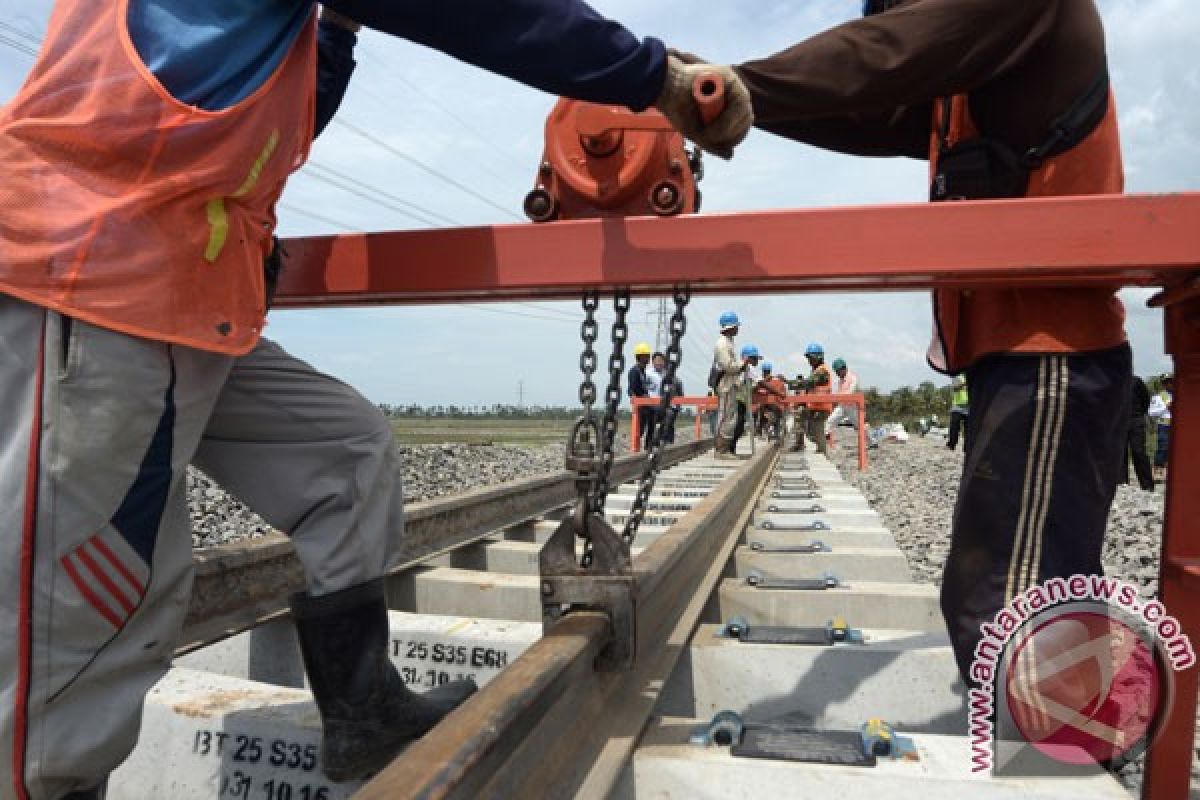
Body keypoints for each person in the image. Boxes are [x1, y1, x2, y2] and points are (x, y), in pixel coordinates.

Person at [0, 2, 756, 797]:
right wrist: (653, 78)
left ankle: (362, 713)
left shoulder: (257, 33)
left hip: (187, 300)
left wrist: (336, 37)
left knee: (348, 456)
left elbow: (260, 127)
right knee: (80, 624)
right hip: (94, 291)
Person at [721, 0, 1133, 683]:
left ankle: (1048, 770)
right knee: (991, 591)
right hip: (1020, 358)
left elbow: (887, 53)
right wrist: (729, 101)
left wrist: (736, 83)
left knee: (1011, 604)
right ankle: (1043, 749)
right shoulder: (976, 83)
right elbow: (866, 103)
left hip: (1053, 351)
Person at [712, 312, 747, 459]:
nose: (737, 329)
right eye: (736, 326)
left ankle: (725, 449)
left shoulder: (729, 342)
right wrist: (742, 364)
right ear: (730, 327)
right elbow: (728, 366)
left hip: (730, 384)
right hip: (725, 385)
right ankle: (721, 450)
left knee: (730, 417)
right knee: (725, 417)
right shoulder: (722, 344)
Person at [1120, 375, 1154, 491]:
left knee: (1138, 451)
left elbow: (1146, 399)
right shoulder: (1114, 381)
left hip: (1136, 420)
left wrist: (1139, 413)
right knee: (1120, 452)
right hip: (1119, 420)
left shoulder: (1136, 381)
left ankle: (1147, 485)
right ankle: (1121, 482)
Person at [802, 343, 834, 456]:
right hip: (816, 406)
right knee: (814, 431)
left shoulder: (822, 370)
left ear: (818, 357)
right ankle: (820, 451)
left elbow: (809, 383)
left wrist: (790, 383)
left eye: (811, 358)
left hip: (822, 406)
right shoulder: (816, 370)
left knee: (818, 430)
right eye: (808, 358)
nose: (809, 361)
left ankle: (822, 453)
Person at [732, 344, 761, 454]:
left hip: (740, 400)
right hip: (738, 400)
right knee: (738, 426)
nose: (757, 361)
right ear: (749, 358)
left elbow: (752, 385)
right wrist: (778, 393)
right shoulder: (748, 367)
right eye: (755, 358)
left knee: (738, 425)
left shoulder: (741, 367)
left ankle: (731, 448)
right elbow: (760, 382)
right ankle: (730, 448)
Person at [628, 342, 657, 450]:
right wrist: (634, 399)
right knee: (639, 429)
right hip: (640, 405)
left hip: (646, 403)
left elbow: (644, 388)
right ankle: (636, 448)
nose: (648, 359)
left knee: (652, 420)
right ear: (639, 357)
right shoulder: (634, 371)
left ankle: (648, 446)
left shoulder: (642, 371)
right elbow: (631, 389)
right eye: (646, 356)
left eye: (648, 356)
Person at [824, 358, 859, 441]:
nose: (837, 374)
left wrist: (838, 396)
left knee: (859, 426)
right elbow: (837, 393)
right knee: (830, 421)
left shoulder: (853, 378)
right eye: (836, 372)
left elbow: (850, 392)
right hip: (842, 406)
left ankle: (872, 442)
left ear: (843, 369)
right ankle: (827, 437)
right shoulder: (840, 381)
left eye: (838, 371)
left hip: (852, 407)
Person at [1149, 375, 1174, 480]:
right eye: (1167, 382)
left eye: (1171, 381)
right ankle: (1156, 472)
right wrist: (1165, 407)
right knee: (1162, 448)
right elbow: (1151, 412)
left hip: (1177, 426)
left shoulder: (1180, 394)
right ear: (1163, 384)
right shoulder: (1158, 397)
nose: (1170, 384)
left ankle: (1168, 473)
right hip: (1164, 425)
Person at [755, 362, 788, 440]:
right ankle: (775, 434)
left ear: (763, 371)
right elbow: (784, 394)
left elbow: (757, 392)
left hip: (767, 406)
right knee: (776, 419)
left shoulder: (761, 382)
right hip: (775, 406)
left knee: (763, 418)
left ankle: (761, 432)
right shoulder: (777, 381)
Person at [946, 374, 969, 452]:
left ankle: (967, 447)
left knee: (968, 428)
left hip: (969, 406)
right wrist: (965, 383)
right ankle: (951, 445)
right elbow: (955, 388)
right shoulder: (958, 376)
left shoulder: (973, 375)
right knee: (954, 427)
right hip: (957, 406)